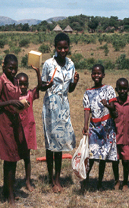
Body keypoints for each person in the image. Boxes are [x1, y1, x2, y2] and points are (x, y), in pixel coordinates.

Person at [41, 32, 79, 193]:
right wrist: (48, 84)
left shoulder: (70, 64)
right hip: (50, 105)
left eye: (65, 47)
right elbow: (41, 86)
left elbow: (69, 89)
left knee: (61, 143)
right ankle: (51, 179)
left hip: (63, 105)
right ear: (55, 47)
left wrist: (75, 83)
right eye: (59, 48)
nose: (63, 50)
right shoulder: (48, 64)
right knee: (51, 143)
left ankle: (57, 177)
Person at [0, 54, 27, 205]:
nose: (13, 71)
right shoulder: (0, 82)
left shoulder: (15, 81)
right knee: (9, 159)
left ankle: (7, 190)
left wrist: (21, 104)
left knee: (14, 159)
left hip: (15, 122)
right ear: (3, 67)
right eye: (10, 68)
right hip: (5, 123)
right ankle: (10, 195)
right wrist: (11, 102)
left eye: (15, 69)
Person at [82, 64, 118, 191]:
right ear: (91, 75)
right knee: (91, 155)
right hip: (93, 127)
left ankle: (99, 182)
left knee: (102, 156)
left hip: (107, 127)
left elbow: (114, 108)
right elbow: (87, 110)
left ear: (103, 75)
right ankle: (85, 179)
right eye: (94, 73)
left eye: (99, 73)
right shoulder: (88, 92)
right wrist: (85, 125)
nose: (96, 75)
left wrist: (107, 105)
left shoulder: (108, 89)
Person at [15, 65, 42, 192]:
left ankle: (27, 181)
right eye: (20, 84)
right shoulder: (14, 98)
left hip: (28, 129)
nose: (23, 87)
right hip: (16, 129)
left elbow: (41, 87)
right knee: (14, 156)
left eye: (25, 84)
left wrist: (38, 72)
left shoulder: (30, 95)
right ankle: (12, 180)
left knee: (27, 157)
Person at [113, 78, 129, 191]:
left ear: (128, 89)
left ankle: (125, 182)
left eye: (124, 89)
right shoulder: (113, 102)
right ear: (116, 89)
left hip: (126, 138)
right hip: (115, 137)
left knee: (126, 161)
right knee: (115, 160)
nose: (122, 91)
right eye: (120, 89)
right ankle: (117, 180)